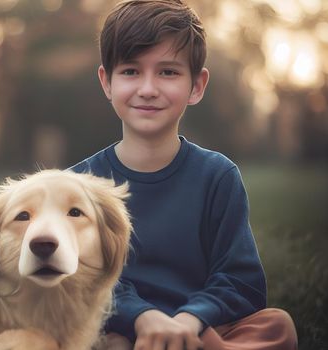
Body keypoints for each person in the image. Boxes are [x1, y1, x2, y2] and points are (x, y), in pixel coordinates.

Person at [69, 1, 298, 349]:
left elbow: (242, 281)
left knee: (277, 326)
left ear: (197, 85)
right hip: (118, 327)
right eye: (130, 71)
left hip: (200, 328)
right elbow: (81, 278)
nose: (148, 88)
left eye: (168, 72)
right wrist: (144, 317)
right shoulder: (78, 184)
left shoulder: (218, 176)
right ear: (107, 82)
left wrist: (190, 319)